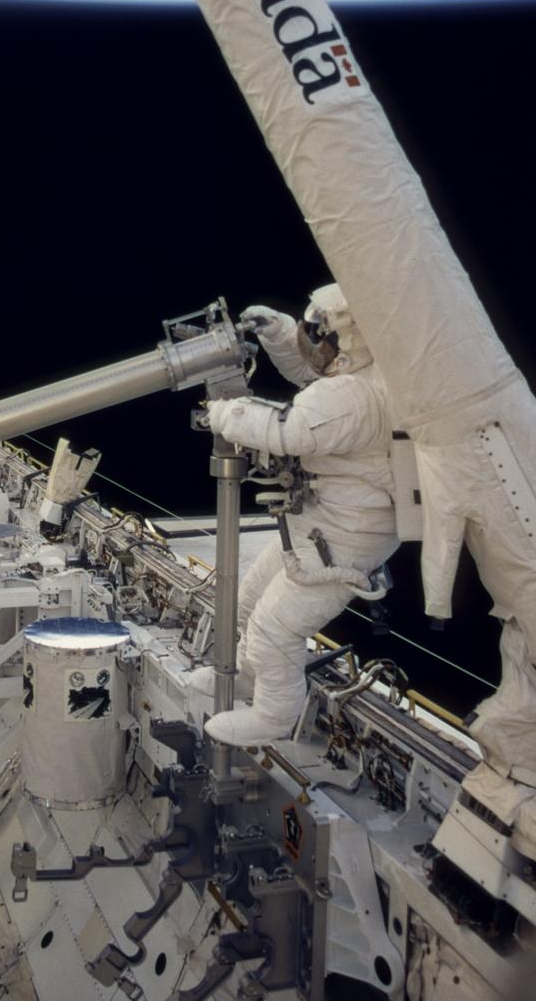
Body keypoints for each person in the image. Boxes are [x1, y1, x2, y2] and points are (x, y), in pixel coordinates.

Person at [190, 285, 399, 747]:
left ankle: (273, 716)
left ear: (346, 341)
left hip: (346, 537)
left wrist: (226, 413)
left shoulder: (354, 396)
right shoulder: (354, 372)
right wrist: (281, 331)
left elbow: (291, 429)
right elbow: (311, 370)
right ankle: (248, 677)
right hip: (323, 522)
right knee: (247, 601)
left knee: (275, 628)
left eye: (317, 333)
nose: (312, 341)